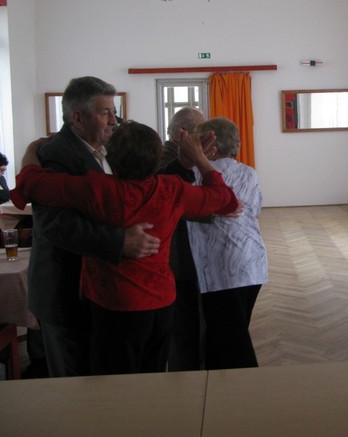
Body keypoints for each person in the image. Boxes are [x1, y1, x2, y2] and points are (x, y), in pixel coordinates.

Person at [12, 121, 239, 375]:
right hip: (161, 302)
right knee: (153, 374)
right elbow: (226, 200)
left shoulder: (97, 188)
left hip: (113, 305)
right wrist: (200, 159)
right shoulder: (172, 190)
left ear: (110, 158)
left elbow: (31, 182)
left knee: (114, 381)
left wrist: (32, 148)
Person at [27, 76, 161, 377]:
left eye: (115, 112)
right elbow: (54, 224)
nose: (114, 121)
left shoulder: (102, 149)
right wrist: (119, 242)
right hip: (66, 291)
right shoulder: (57, 154)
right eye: (105, 113)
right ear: (78, 117)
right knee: (75, 384)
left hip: (97, 291)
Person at [187, 117, 268, 369]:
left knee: (231, 342)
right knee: (230, 333)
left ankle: (245, 385)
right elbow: (255, 210)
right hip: (253, 262)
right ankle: (218, 383)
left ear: (209, 144)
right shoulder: (249, 172)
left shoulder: (196, 174)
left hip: (219, 268)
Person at [157, 107, 206, 371]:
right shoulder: (165, 162)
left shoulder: (177, 158)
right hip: (178, 261)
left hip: (186, 260)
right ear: (181, 133)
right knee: (183, 332)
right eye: (200, 132)